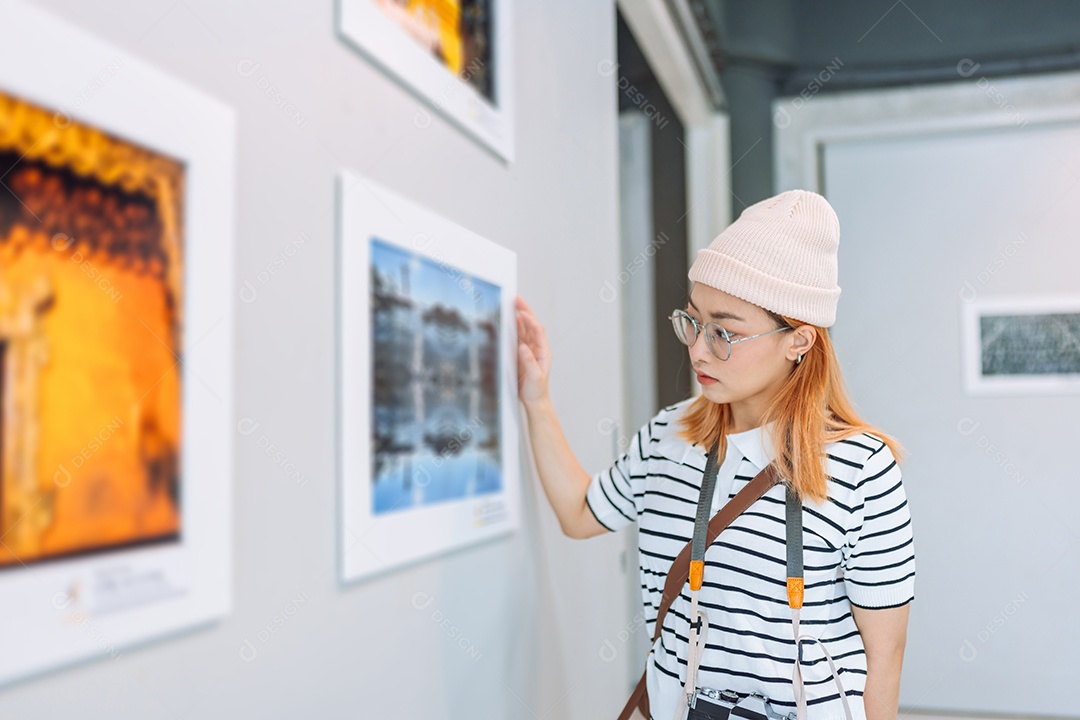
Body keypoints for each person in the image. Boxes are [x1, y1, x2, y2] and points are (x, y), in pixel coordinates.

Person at [515, 189, 915, 720]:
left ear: (799, 339)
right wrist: (536, 398)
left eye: (726, 331)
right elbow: (580, 513)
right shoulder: (669, 435)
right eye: (694, 321)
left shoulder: (862, 468)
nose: (699, 350)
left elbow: (884, 656)